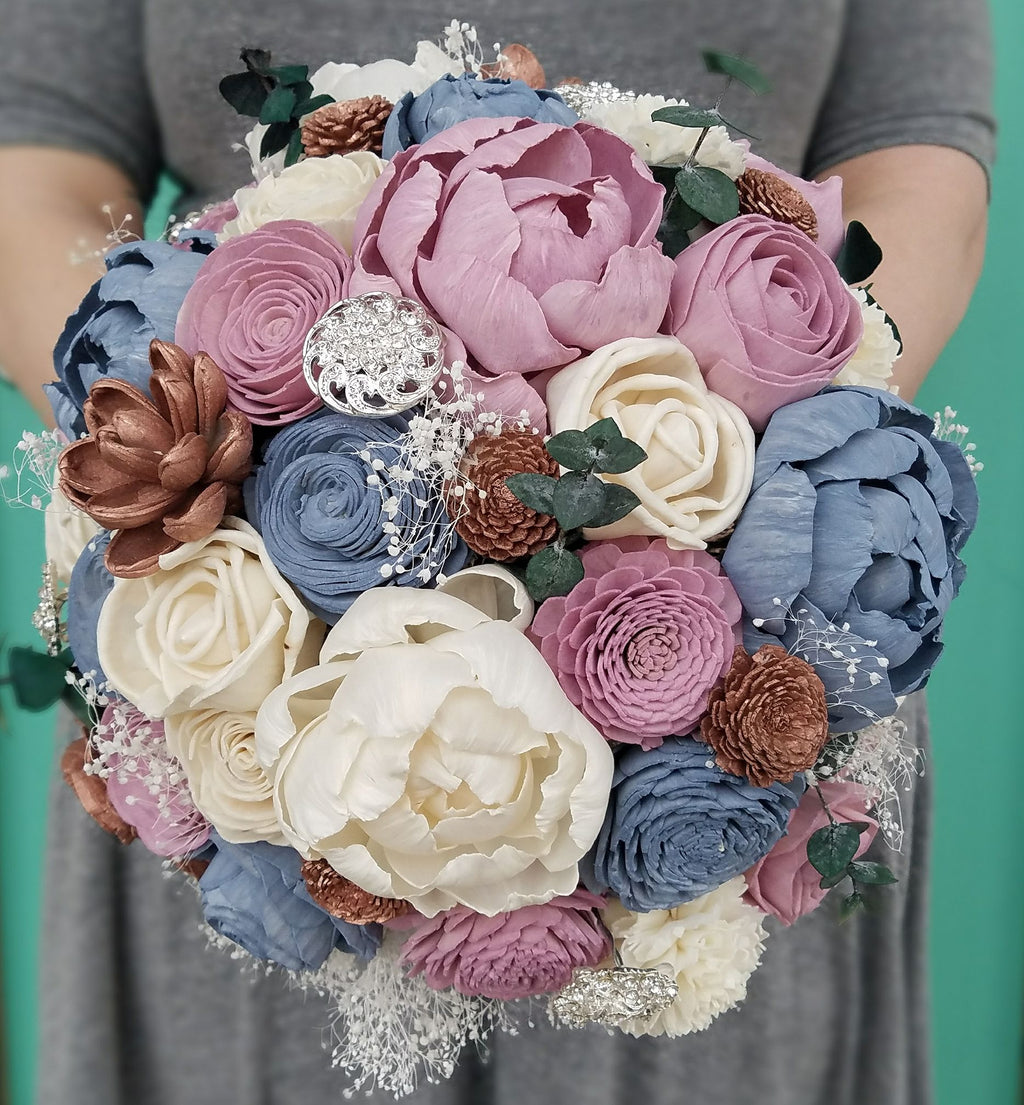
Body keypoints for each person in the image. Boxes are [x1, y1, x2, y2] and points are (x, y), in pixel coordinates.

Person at [0, 2, 993, 1104]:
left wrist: (726, 483)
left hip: (730, 683)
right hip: (249, 665)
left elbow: (921, 157)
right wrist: (180, 449)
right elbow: (36, 158)